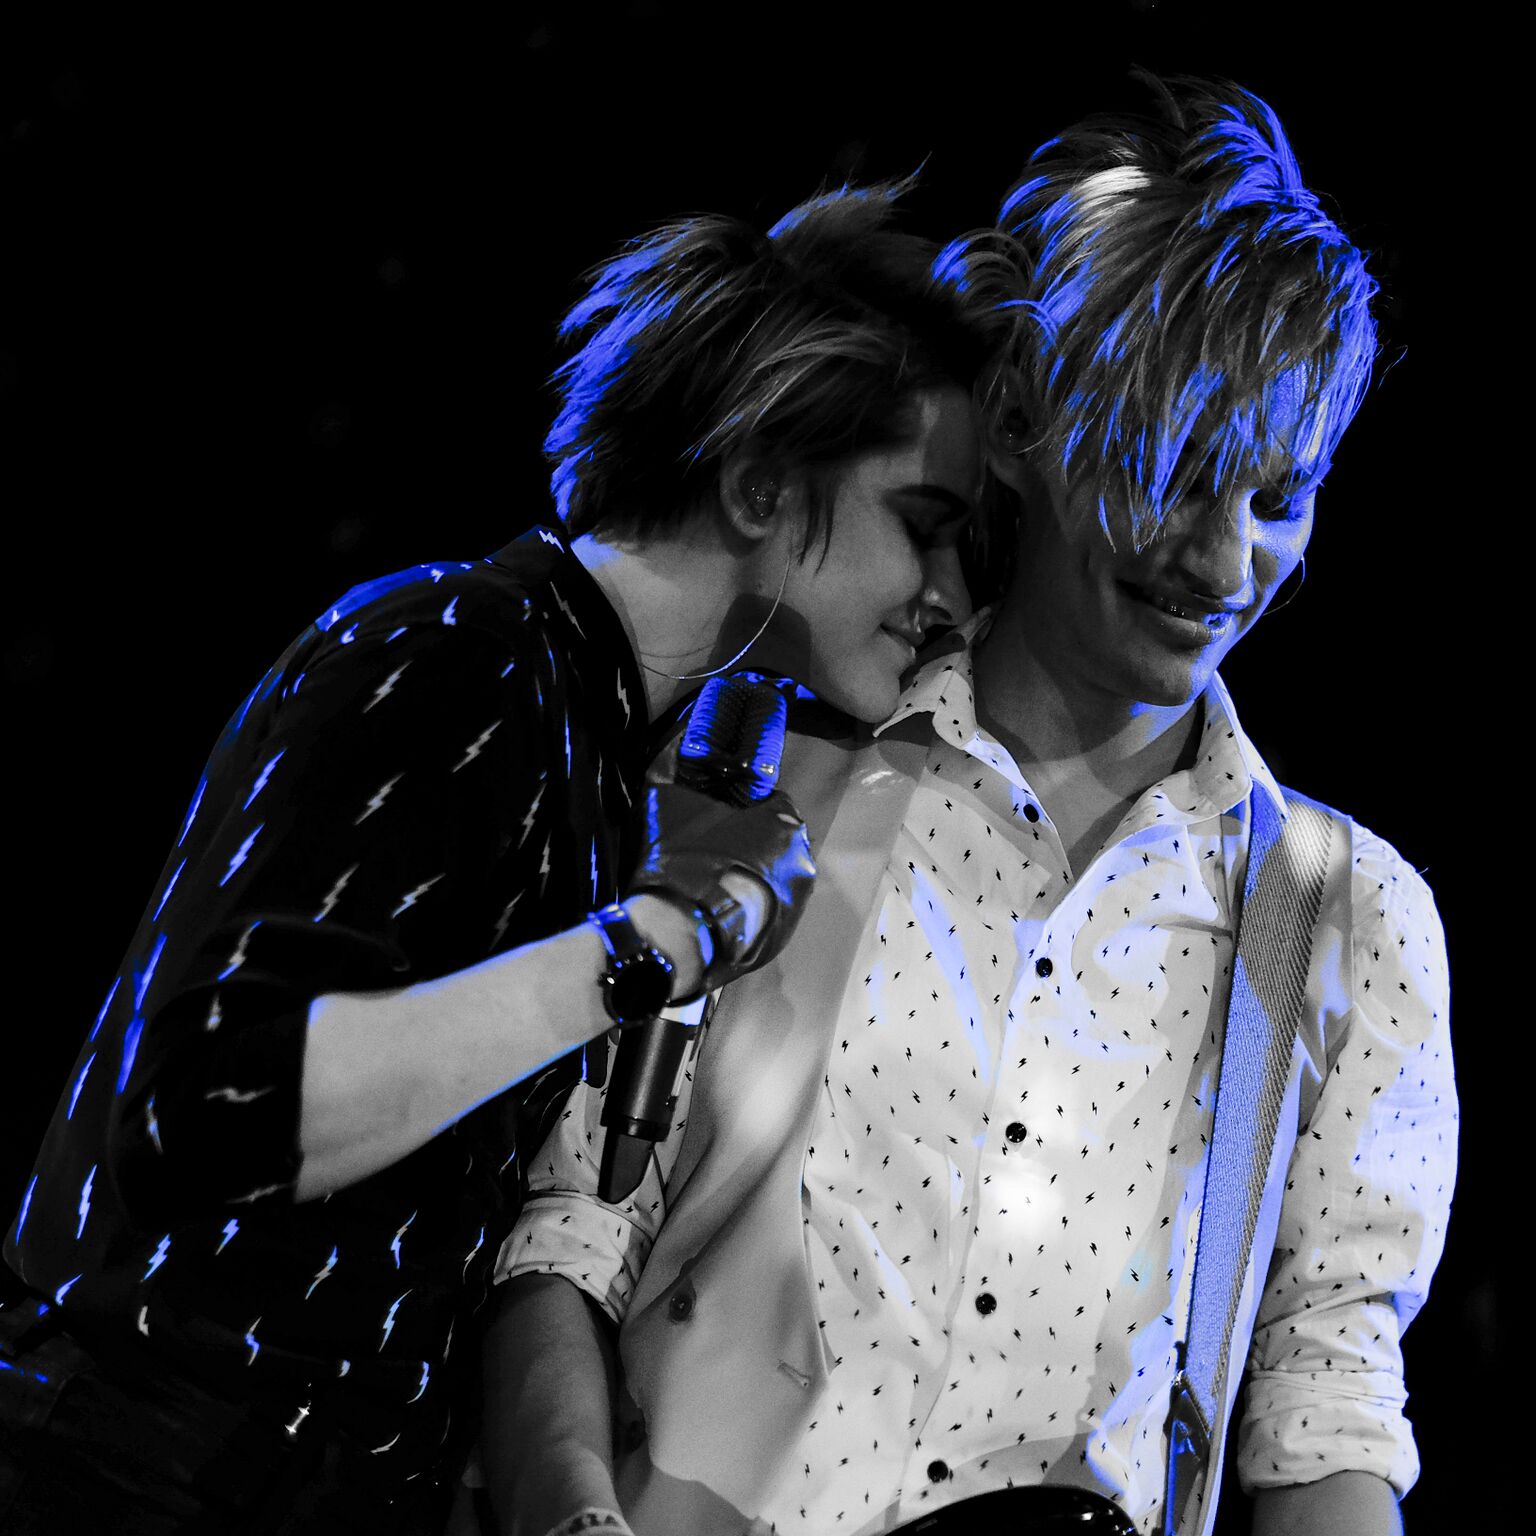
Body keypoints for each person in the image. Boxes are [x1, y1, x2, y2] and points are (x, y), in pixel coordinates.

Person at [484, 78, 1455, 1536]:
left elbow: (1324, 1402)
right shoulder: (760, 770)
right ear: (1019, 421)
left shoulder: (1345, 919)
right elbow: (565, 1231)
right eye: (1176, 471)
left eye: (1277, 497)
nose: (1222, 561)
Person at [0, 181, 993, 1533]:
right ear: (760, 481)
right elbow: (215, 1104)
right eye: (923, 524)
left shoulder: (593, 741)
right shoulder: (461, 649)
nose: (949, 597)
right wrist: (652, 947)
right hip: (134, 1472)